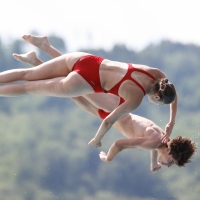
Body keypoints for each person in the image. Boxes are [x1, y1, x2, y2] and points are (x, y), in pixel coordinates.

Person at [13, 38, 195, 172]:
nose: (168, 165)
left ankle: (36, 61)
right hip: (112, 109)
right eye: (171, 162)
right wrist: (108, 158)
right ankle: (44, 49)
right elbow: (119, 144)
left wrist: (154, 162)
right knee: (77, 80)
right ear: (170, 149)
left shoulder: (160, 140)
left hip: (109, 112)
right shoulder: (156, 140)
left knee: (74, 93)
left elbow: (154, 146)